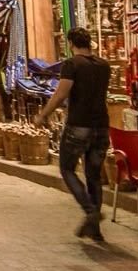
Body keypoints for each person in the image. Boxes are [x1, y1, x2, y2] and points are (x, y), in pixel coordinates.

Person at [34, 27, 112, 242]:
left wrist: (43, 115)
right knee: (94, 175)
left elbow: (61, 94)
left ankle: (89, 210)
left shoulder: (72, 65)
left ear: (71, 43)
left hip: (79, 125)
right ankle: (95, 229)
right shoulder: (104, 66)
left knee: (67, 168)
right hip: (102, 126)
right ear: (90, 43)